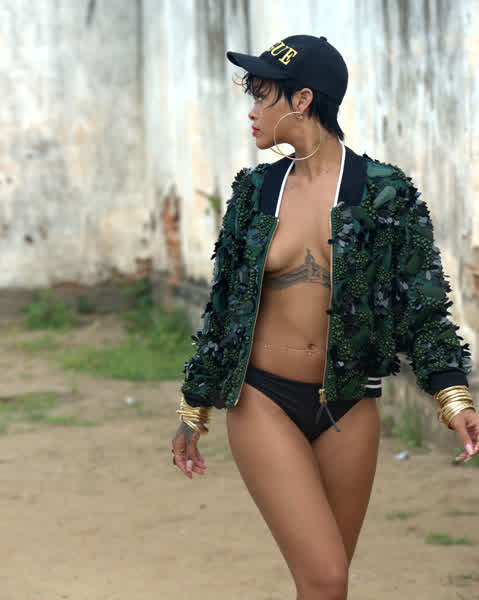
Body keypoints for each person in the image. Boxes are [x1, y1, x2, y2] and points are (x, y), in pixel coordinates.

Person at [171, 34, 477, 599]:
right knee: (327, 577)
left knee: (324, 588)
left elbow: (423, 304)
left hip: (349, 403)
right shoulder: (255, 192)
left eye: (263, 94)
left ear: (303, 99)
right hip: (263, 399)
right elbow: (224, 308)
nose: (252, 110)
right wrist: (195, 407)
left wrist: (453, 396)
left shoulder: (384, 193)